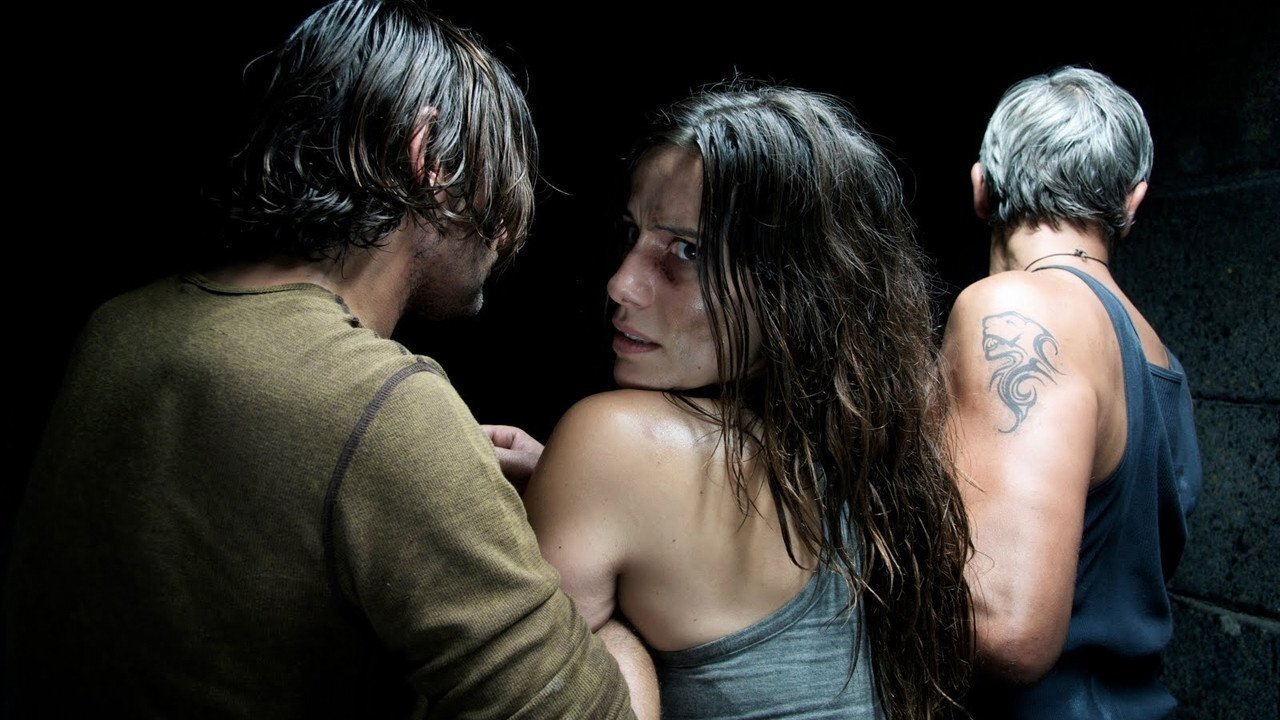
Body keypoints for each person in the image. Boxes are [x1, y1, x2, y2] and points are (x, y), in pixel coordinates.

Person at [2, 1, 656, 718]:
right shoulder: (387, 410)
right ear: (432, 160)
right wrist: (620, 597)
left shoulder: (117, 327)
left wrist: (429, 475)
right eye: (498, 184)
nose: (504, 233)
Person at [492, 82, 975, 719]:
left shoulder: (612, 443)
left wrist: (617, 639)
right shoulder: (877, 454)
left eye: (687, 251)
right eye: (633, 234)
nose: (622, 283)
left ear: (797, 287)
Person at [941, 66, 1203, 718]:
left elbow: (1007, 634)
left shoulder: (1015, 309)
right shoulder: (1157, 356)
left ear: (981, 187)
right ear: (1133, 202)